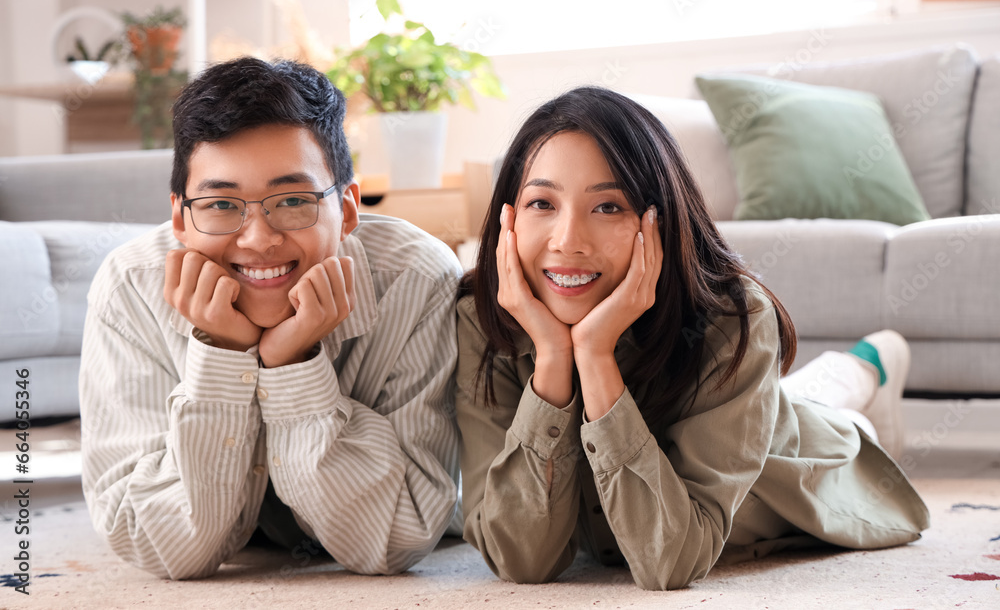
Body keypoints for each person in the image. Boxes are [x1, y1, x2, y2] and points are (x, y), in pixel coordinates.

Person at [455, 86, 930, 591]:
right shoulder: (481, 318)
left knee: (826, 417)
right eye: (542, 202)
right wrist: (553, 357)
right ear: (508, 217)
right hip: (754, 409)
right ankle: (859, 366)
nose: (568, 240)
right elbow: (522, 560)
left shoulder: (733, 318)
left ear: (658, 221)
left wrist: (593, 357)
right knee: (800, 393)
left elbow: (670, 562)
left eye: (608, 207)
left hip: (786, 457)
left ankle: (868, 364)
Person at [80, 58, 461, 580]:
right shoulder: (130, 288)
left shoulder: (415, 279)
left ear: (347, 209)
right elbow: (157, 547)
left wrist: (293, 364)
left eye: (292, 201)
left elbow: (397, 539)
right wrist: (220, 353)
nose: (258, 239)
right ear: (180, 217)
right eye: (220, 204)